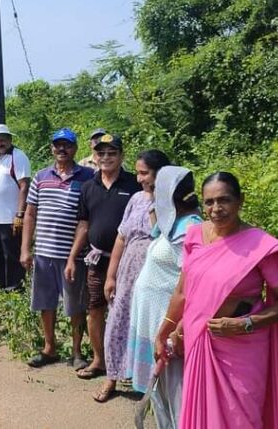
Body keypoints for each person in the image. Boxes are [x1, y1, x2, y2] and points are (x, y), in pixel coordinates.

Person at [155, 172, 278, 428]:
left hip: (242, 350)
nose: (216, 209)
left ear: (240, 201)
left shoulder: (261, 247)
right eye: (209, 202)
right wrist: (166, 329)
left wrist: (246, 324)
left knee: (240, 418)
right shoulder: (195, 236)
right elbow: (182, 292)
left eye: (224, 200)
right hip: (200, 344)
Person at [94, 150, 171, 403]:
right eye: (137, 172)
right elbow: (121, 237)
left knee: (149, 328)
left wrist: (159, 202)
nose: (139, 179)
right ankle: (112, 377)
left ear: (161, 174)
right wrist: (111, 275)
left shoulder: (172, 203)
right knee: (117, 321)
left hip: (155, 276)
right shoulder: (136, 199)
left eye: (144, 173)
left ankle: (150, 385)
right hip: (128, 271)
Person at [126, 167, 200, 427]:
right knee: (159, 394)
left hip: (169, 328)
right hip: (156, 323)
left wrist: (177, 330)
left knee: (177, 396)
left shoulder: (191, 228)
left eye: (158, 190)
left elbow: (193, 285)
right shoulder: (172, 225)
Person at [65, 134, 142, 380]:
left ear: (121, 156)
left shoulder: (134, 184)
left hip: (129, 262)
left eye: (112, 153)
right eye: (101, 153)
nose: (106, 158)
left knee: (128, 311)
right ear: (94, 156)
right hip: (97, 262)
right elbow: (83, 225)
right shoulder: (88, 186)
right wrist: (71, 258)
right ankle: (100, 361)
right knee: (95, 309)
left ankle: (129, 365)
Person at [20, 128, 94, 370]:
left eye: (67, 145)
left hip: (73, 255)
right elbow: (30, 213)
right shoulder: (41, 176)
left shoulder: (87, 177)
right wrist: (25, 249)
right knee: (45, 302)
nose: (62, 149)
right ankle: (49, 348)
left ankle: (76, 351)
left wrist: (75, 253)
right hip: (43, 253)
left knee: (75, 305)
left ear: (75, 148)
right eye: (57, 145)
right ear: (52, 147)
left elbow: (88, 218)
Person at [0, 124, 31, 290]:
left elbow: (24, 186)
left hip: (11, 218)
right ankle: (2, 287)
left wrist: (19, 214)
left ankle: (16, 288)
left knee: (12, 255)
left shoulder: (18, 156)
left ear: (9, 139)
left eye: (2, 140)